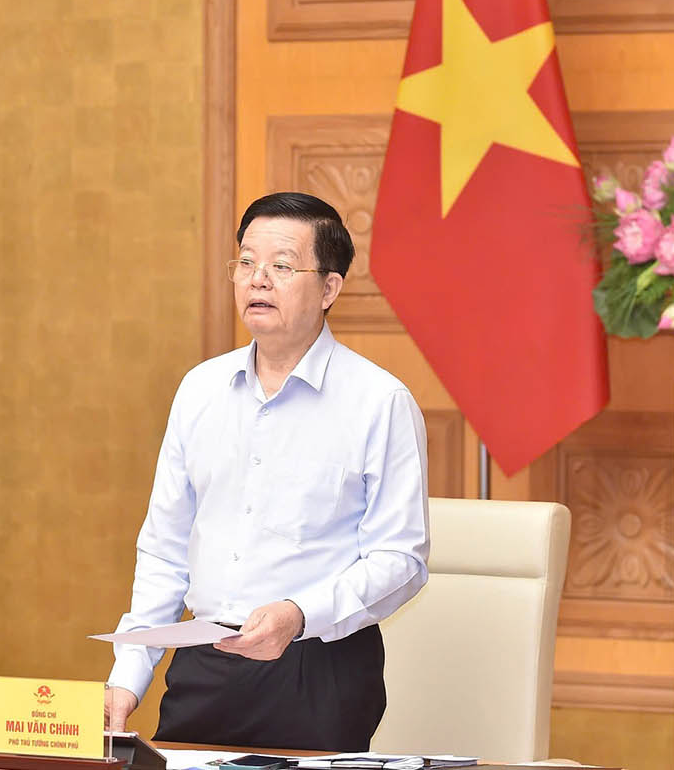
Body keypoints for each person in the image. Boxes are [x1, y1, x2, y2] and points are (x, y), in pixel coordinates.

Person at [104, 192, 430, 750]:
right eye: (246, 263)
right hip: (204, 663)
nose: (258, 280)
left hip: (318, 668)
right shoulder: (200, 390)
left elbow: (401, 559)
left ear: (329, 288)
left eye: (281, 265)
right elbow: (164, 547)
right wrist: (129, 674)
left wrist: (299, 614)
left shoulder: (380, 402)